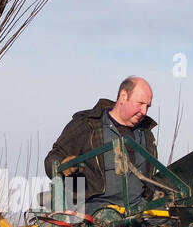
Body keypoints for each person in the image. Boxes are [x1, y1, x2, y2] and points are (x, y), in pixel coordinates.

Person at [44, 76, 156, 214]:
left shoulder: (146, 134)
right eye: (140, 103)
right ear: (123, 96)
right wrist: (63, 165)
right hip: (95, 211)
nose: (144, 111)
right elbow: (51, 160)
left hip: (138, 211)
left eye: (148, 106)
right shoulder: (88, 125)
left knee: (178, 219)